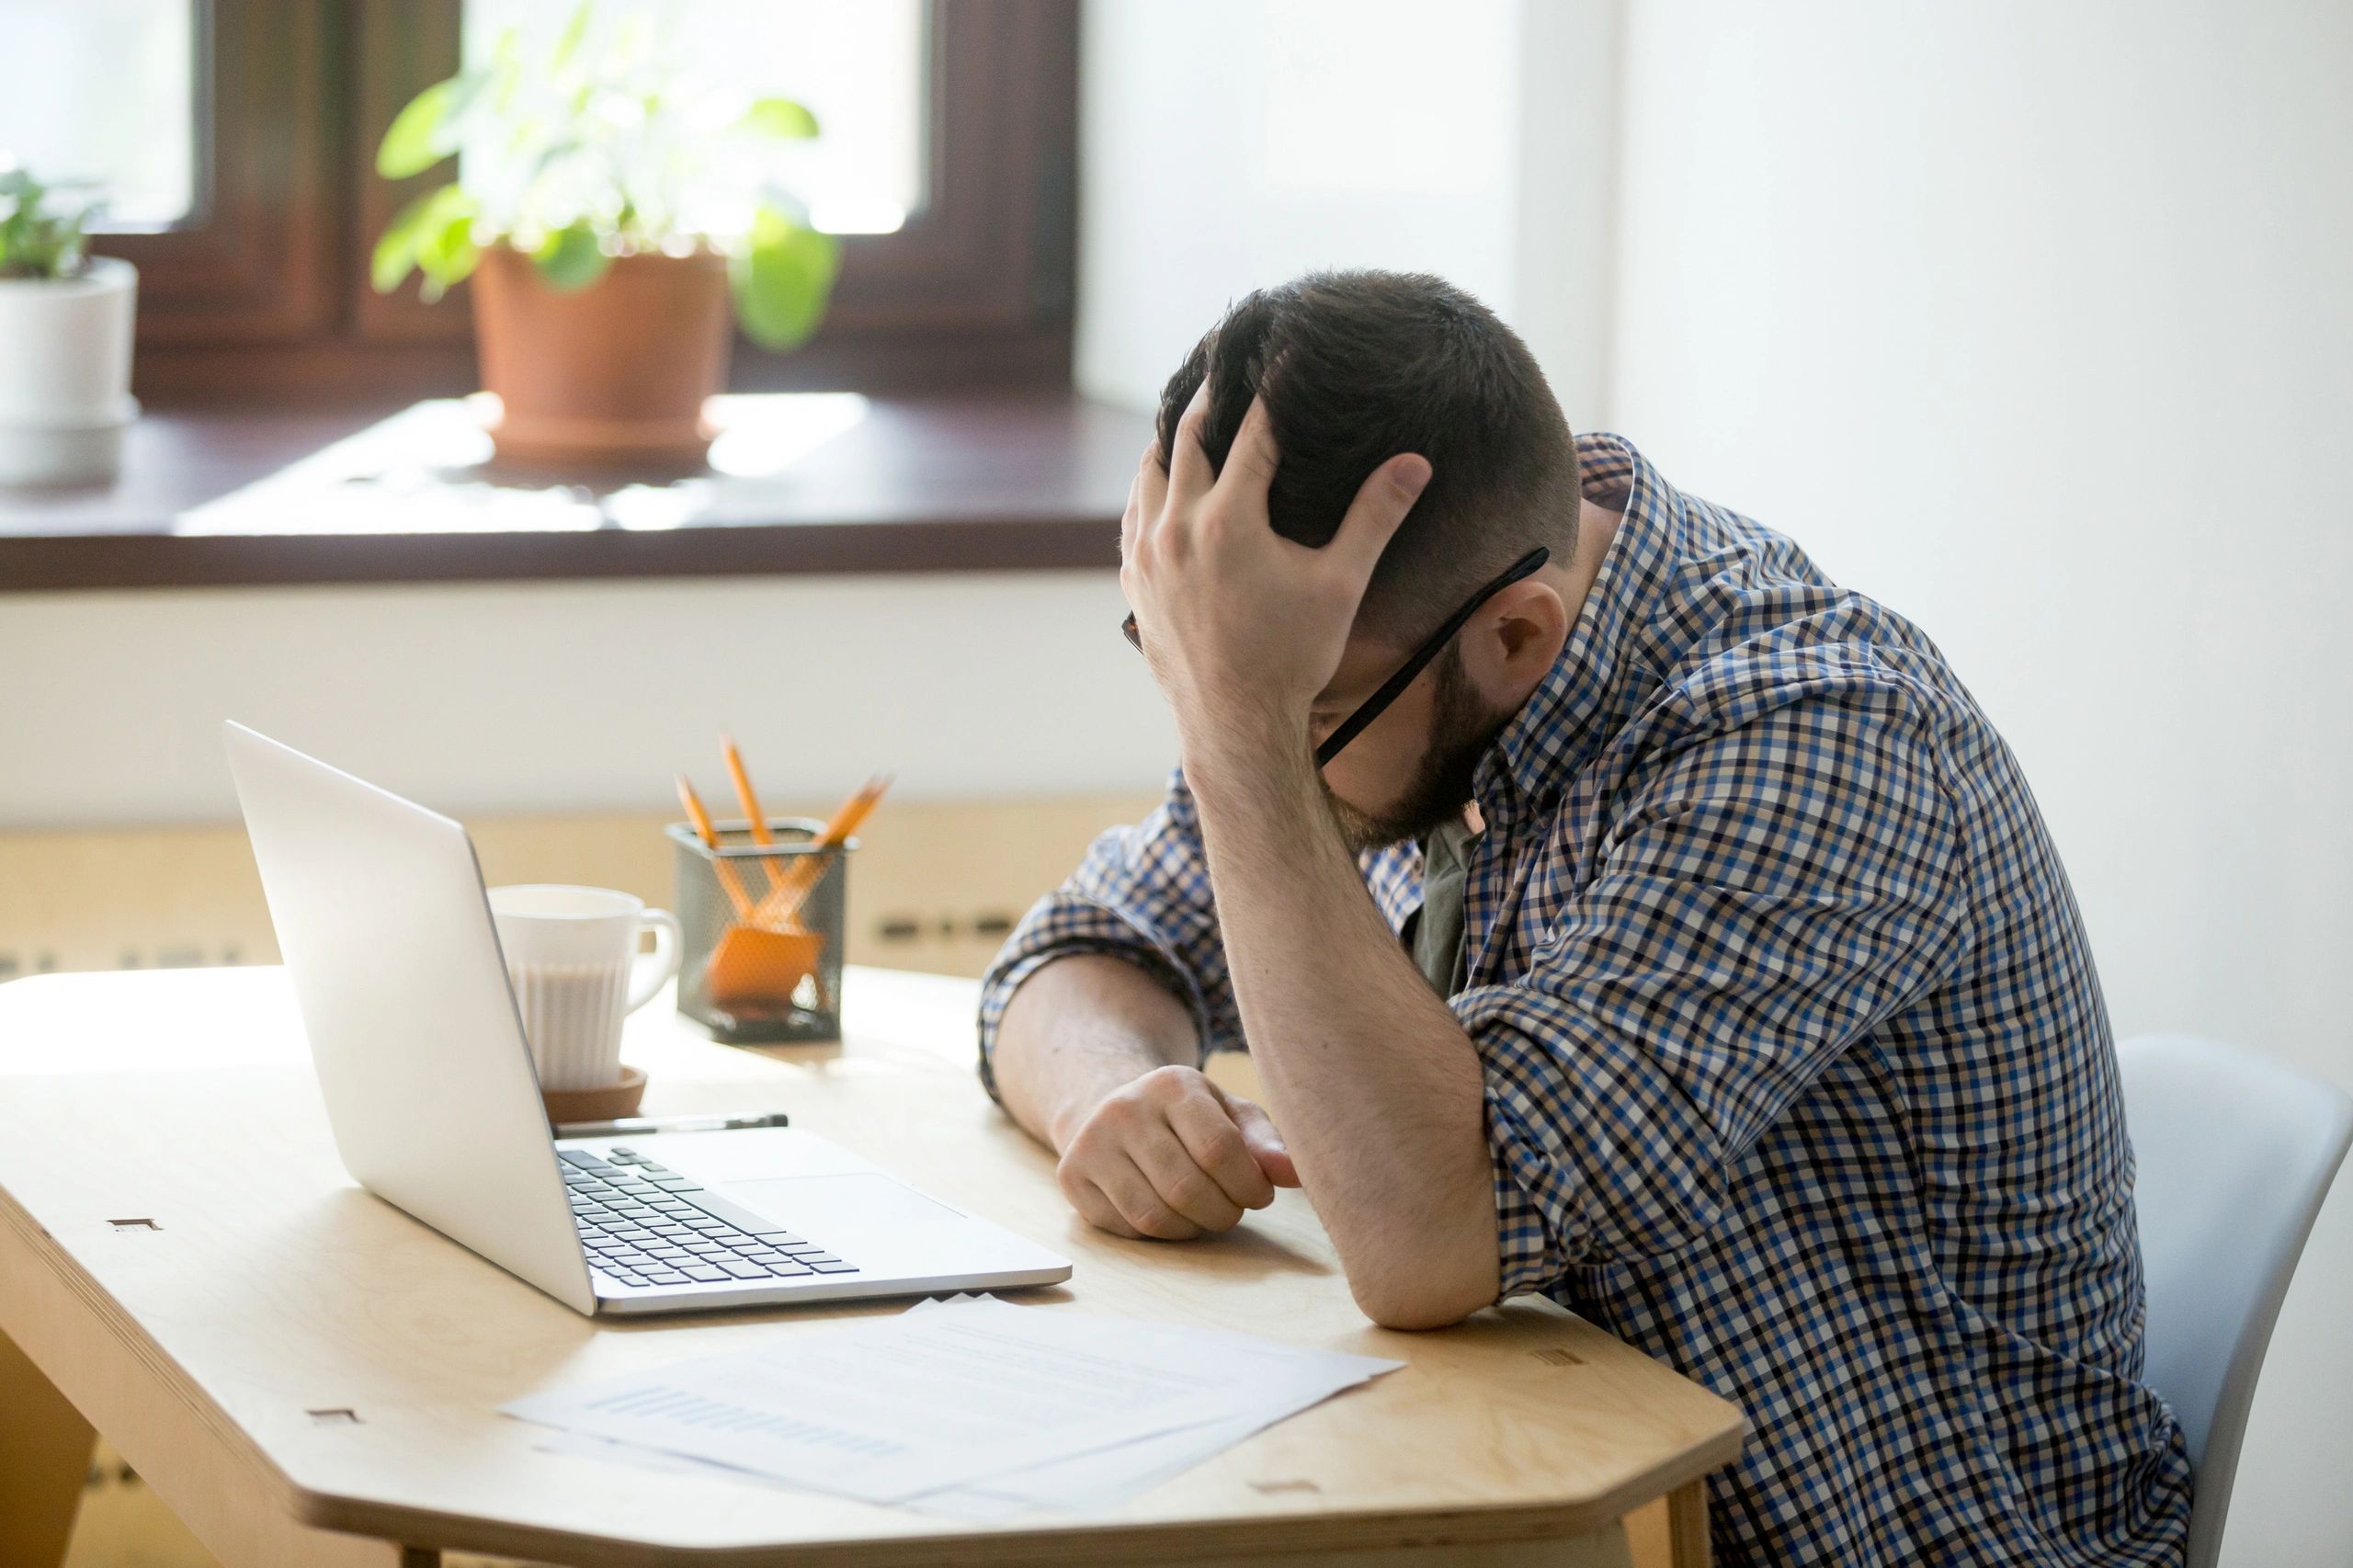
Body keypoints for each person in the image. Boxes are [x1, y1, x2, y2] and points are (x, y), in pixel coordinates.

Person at [976, 269, 2191, 1565]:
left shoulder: (1814, 738)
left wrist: (1244, 726)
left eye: (1301, 715)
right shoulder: (1363, 659)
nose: (1234, 737)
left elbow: (1432, 1231)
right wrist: (1118, 1097)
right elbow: (1080, 947)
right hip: (1545, 1497)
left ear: (1514, 638)